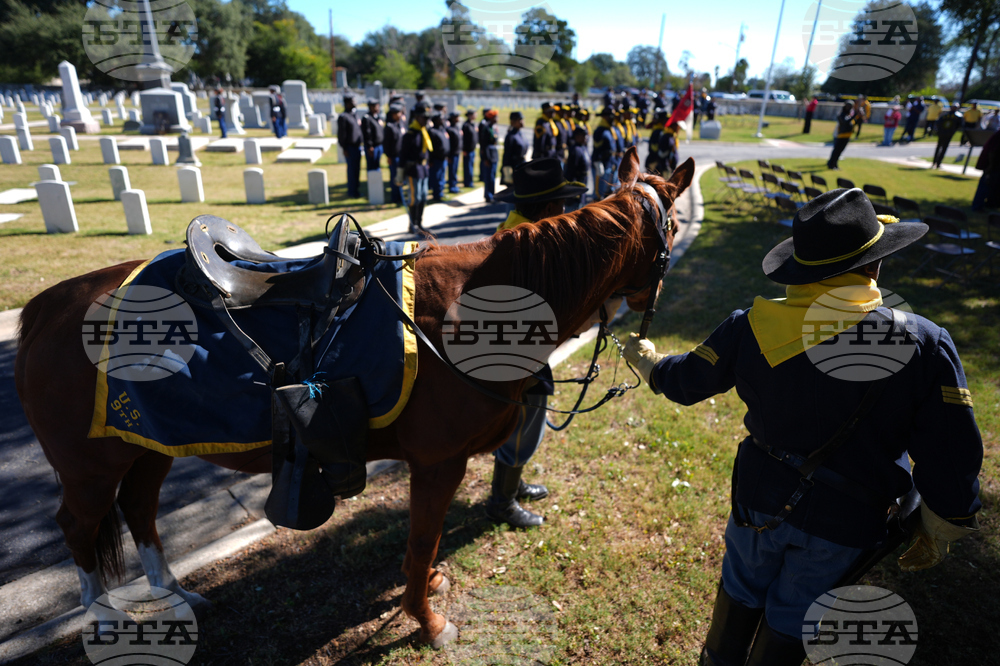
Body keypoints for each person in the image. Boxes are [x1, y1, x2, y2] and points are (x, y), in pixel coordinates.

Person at [624, 188, 983, 666]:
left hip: (758, 500)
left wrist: (649, 364)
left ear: (804, 268)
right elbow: (950, 453)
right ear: (874, 266)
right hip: (847, 519)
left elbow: (687, 382)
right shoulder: (924, 343)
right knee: (795, 618)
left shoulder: (751, 324)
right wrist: (942, 523)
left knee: (740, 590)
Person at [488, 159, 588, 527]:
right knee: (523, 425)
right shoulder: (533, 248)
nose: (566, 211)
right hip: (520, 356)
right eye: (561, 204)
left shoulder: (510, 231)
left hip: (511, 346)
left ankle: (512, 486)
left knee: (524, 425)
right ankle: (501, 503)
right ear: (547, 209)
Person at [399, 101, 431, 233]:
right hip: (413, 170)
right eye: (424, 118)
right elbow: (403, 155)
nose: (426, 121)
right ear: (417, 117)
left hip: (423, 170)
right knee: (414, 197)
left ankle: (419, 222)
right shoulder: (410, 135)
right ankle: (412, 225)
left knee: (423, 196)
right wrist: (399, 174)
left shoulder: (424, 132)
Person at [337, 93, 363, 198]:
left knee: (357, 169)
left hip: (357, 147)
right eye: (353, 101)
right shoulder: (344, 117)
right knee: (352, 170)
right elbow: (342, 135)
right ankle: (352, 191)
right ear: (347, 103)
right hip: (350, 147)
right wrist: (344, 148)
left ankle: (356, 189)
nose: (355, 103)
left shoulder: (354, 114)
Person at [972, 129, 1000, 211]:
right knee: (985, 184)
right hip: (991, 165)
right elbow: (992, 152)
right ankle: (977, 206)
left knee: (993, 185)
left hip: (995, 165)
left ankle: (991, 204)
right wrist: (990, 167)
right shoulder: (998, 136)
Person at [592, 107, 617, 199]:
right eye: (610, 116)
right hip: (601, 163)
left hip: (609, 162)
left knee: (606, 190)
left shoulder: (610, 129)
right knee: (598, 192)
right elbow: (597, 148)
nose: (612, 119)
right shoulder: (600, 131)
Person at [563, 126, 591, 210]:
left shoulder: (583, 148)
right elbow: (571, 171)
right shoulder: (575, 150)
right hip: (577, 182)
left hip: (583, 180)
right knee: (574, 207)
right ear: (577, 137)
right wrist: (573, 188)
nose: (586, 138)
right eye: (583, 135)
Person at [383, 104, 405, 205]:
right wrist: (388, 156)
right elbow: (387, 143)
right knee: (395, 177)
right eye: (398, 113)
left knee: (401, 176)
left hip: (401, 155)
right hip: (394, 156)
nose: (400, 115)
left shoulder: (400, 124)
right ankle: (395, 197)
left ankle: (401, 195)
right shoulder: (389, 126)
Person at [932, 103, 963, 169]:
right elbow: (938, 123)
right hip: (942, 133)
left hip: (949, 134)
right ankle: (934, 162)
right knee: (938, 147)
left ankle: (938, 163)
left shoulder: (958, 116)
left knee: (944, 148)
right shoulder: (945, 115)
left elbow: (959, 125)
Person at [501, 110, 528, 186]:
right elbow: (507, 154)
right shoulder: (511, 136)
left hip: (521, 165)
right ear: (513, 122)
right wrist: (507, 171)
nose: (522, 122)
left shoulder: (521, 134)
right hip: (514, 166)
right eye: (519, 120)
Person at [479, 108, 499, 203]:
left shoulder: (493, 126)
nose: (497, 118)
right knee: (489, 176)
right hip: (489, 154)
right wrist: (486, 158)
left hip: (494, 154)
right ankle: (488, 195)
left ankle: (493, 194)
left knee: (493, 176)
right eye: (495, 117)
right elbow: (484, 144)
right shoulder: (486, 127)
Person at [427, 111, 448, 202]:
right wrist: (430, 160)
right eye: (441, 119)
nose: (443, 120)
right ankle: (437, 195)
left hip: (443, 158)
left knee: (442, 177)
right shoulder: (432, 131)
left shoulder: (442, 129)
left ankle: (440, 192)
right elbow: (430, 148)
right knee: (437, 177)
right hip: (436, 159)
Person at [827, 102, 854, 170]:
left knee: (839, 151)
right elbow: (845, 122)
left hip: (846, 136)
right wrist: (855, 115)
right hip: (840, 136)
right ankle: (831, 164)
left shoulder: (848, 114)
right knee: (836, 150)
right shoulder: (842, 114)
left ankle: (835, 164)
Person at [361, 99, 384, 173]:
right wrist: (369, 146)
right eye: (376, 106)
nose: (378, 108)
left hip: (379, 145)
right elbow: (367, 133)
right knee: (372, 166)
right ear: (371, 107)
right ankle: (372, 183)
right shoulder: (367, 118)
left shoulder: (377, 117)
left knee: (377, 165)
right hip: (372, 147)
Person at [446, 111, 461, 194]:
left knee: (455, 170)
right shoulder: (449, 129)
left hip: (457, 152)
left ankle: (454, 185)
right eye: (457, 117)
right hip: (452, 154)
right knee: (452, 171)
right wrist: (448, 155)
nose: (458, 118)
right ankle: (452, 187)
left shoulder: (457, 128)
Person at [462, 109, 477, 187]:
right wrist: (464, 149)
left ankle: (470, 181)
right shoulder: (466, 125)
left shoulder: (472, 124)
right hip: (467, 150)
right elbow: (464, 139)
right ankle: (468, 182)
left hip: (472, 150)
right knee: (468, 167)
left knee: (471, 166)